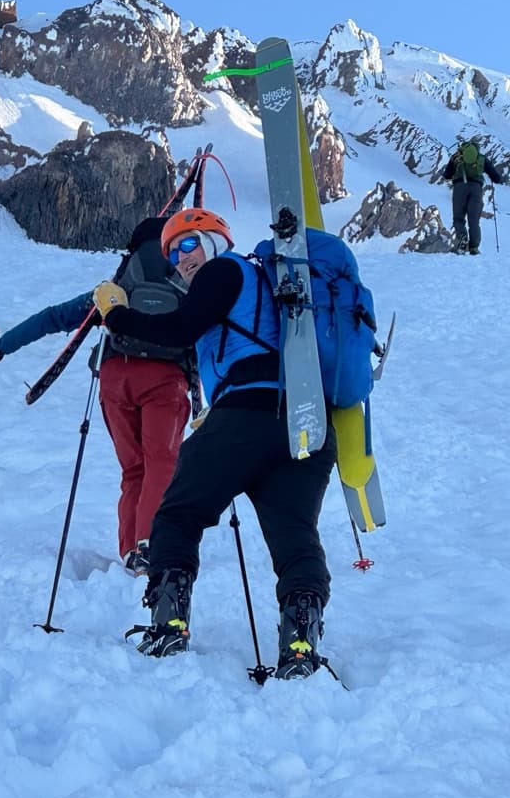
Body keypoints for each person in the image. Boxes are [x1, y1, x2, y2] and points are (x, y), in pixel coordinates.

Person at [92, 207, 338, 679]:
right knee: (295, 534)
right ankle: (300, 645)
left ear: (215, 240)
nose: (181, 259)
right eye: (172, 254)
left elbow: (178, 329)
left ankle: (169, 624)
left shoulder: (224, 270)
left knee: (177, 512)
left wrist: (117, 315)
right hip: (304, 422)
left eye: (188, 244)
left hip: (247, 414)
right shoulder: (266, 284)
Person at [0, 218, 193, 577]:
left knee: (134, 468)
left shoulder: (115, 290)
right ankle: (150, 544)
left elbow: (53, 318)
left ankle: (132, 550)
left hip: (117, 377)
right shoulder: (187, 287)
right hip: (167, 381)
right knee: (161, 463)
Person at [442, 138, 504, 255]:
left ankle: (462, 241)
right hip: (476, 189)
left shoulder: (456, 157)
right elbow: (496, 178)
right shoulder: (481, 158)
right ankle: (474, 248)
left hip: (459, 188)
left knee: (459, 218)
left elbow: (447, 175)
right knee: (474, 220)